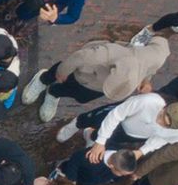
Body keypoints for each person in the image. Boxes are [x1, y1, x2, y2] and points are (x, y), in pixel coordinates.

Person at [21, 36, 170, 122]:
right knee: (60, 74)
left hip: (97, 86)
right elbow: (78, 58)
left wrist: (145, 80)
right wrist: (62, 72)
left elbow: (153, 64)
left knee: (81, 96)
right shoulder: (104, 54)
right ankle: (42, 79)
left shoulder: (157, 57)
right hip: (87, 70)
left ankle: (53, 93)